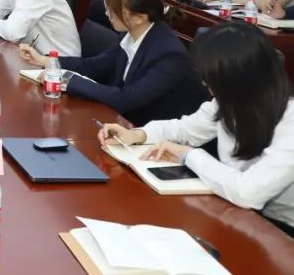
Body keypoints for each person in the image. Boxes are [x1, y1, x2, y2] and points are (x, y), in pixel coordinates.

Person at [99, 23, 294, 236]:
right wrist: (138, 134)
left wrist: (190, 155)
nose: (204, 82)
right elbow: (185, 129)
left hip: (282, 230)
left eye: (210, 75)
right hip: (238, 211)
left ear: (237, 77)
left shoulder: (289, 120)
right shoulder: (229, 102)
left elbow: (249, 193)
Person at [20, 0, 207, 125]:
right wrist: (48, 61)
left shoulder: (169, 55)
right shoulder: (131, 35)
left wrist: (68, 80)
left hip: (155, 136)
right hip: (124, 124)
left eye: (112, 9)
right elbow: (95, 66)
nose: (106, 13)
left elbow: (126, 99)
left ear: (139, 17)